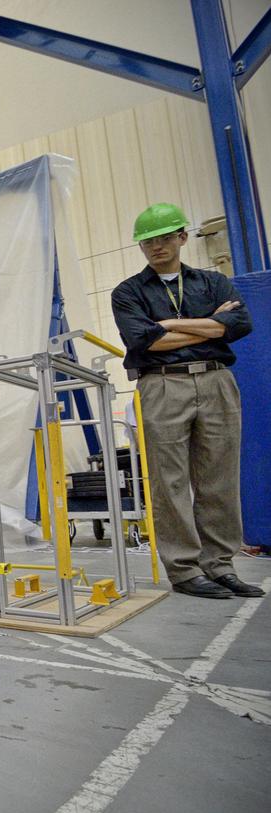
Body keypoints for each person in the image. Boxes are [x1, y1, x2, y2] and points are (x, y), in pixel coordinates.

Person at [110, 202, 260, 599]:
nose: (156, 246)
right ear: (140, 247)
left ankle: (220, 565)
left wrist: (170, 324)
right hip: (162, 386)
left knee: (220, 477)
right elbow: (143, 340)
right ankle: (183, 568)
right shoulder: (128, 292)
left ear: (181, 237)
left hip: (216, 381)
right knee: (169, 480)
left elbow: (239, 325)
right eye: (148, 241)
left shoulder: (213, 282)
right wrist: (213, 327)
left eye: (163, 237)